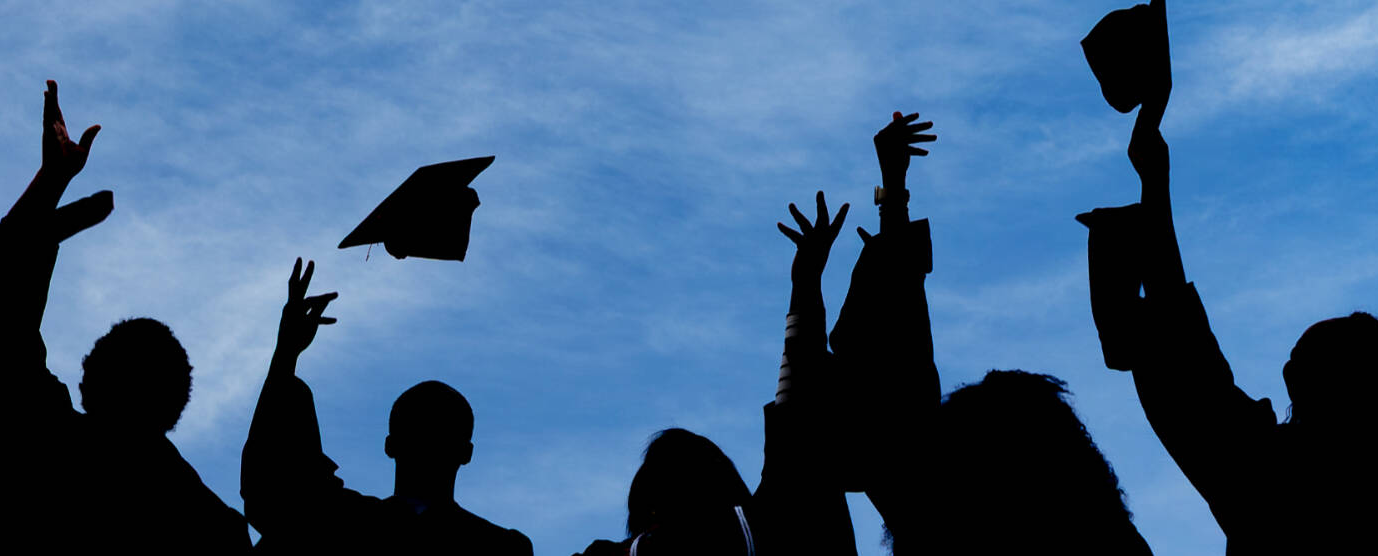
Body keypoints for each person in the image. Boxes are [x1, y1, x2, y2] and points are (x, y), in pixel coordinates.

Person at [1080, 120, 1378, 554]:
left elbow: (1191, 381)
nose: (1287, 374)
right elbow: (1191, 375)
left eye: (1304, 364)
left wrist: (1156, 191)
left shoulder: (1278, 481)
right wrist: (1155, 191)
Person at [0, 81, 250, 553]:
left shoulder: (44, 456)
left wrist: (48, 187)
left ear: (90, 377)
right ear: (173, 406)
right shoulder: (209, 525)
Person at [834, 112, 1151, 555]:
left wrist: (891, 194)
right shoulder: (1101, 532)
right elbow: (899, 359)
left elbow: (899, 363)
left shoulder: (942, 520)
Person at [571, 192, 860, 556]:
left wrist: (804, 286)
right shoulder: (776, 523)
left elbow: (797, 415)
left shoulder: (762, 525)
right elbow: (797, 415)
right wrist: (804, 285)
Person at [242, 258, 533, 554]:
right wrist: (285, 355)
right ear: (466, 453)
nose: (429, 443)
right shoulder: (496, 547)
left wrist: (286, 354)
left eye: (438, 433)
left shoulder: (338, 524)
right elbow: (270, 491)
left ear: (390, 445)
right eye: (421, 431)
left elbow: (270, 487)